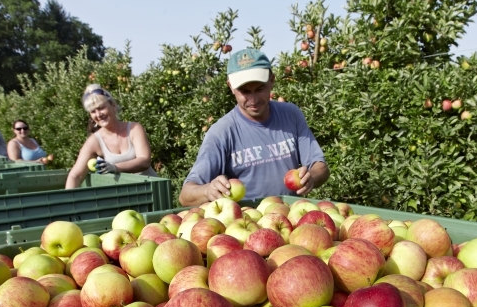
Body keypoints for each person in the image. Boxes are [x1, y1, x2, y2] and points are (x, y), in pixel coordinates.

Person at [178, 48, 330, 206]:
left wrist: (311, 176)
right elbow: (185, 195)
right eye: (244, 91)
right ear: (231, 87)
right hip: (247, 224)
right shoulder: (221, 133)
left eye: (259, 89)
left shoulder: (291, 115)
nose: (253, 99)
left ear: (271, 81)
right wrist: (208, 190)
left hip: (290, 220)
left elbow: (320, 166)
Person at [65, 84, 157, 189]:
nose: (98, 114)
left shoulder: (134, 129)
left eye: (101, 108)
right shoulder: (94, 141)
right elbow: (75, 175)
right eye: (93, 111)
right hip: (123, 197)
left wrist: (115, 167)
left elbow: (145, 161)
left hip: (150, 190)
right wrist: (69, 201)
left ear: (113, 105)